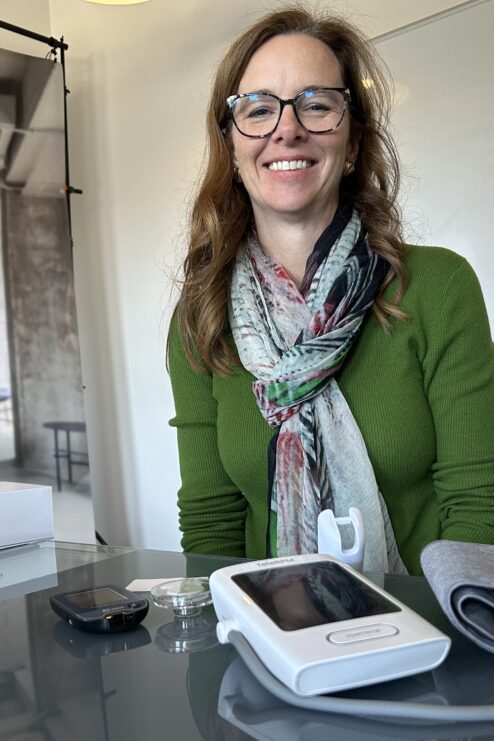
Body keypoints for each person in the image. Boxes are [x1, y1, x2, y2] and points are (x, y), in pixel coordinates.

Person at [168, 6, 494, 575]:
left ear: (353, 139)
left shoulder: (438, 288)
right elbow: (211, 525)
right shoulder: (202, 315)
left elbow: (479, 506)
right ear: (232, 146)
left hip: (425, 631)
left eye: (317, 105)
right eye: (258, 108)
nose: (285, 129)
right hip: (266, 637)